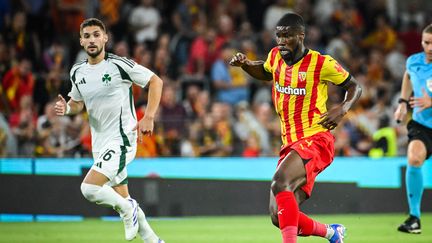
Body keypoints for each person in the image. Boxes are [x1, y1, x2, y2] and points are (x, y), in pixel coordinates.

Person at [230, 13, 362, 243]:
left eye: (287, 36)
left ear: (300, 36)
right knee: (278, 216)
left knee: (279, 181)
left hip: (316, 139)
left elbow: (354, 86)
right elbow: (265, 71)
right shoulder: (275, 57)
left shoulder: (321, 63)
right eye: (278, 36)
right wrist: (246, 65)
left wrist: (342, 108)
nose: (281, 41)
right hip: (290, 142)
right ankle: (332, 233)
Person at [54, 18, 164, 242]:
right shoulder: (77, 71)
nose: (92, 39)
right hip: (100, 143)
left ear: (105, 38)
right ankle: (153, 240)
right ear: (81, 42)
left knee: (89, 189)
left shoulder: (118, 65)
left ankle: (126, 210)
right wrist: (66, 108)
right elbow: (77, 103)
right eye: (87, 36)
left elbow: (155, 81)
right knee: (124, 197)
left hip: (122, 140)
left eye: (96, 34)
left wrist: (148, 116)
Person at [394, 23, 432, 234]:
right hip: (422, 125)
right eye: (426, 43)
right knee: (414, 158)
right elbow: (408, 76)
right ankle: (414, 217)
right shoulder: (413, 61)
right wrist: (402, 102)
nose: (430, 47)